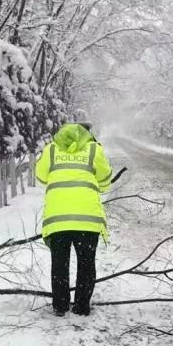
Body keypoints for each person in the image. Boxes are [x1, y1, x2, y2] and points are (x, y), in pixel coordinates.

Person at [34, 121, 112, 317]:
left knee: (59, 263)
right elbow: (105, 182)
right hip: (87, 219)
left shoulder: (51, 150)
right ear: (87, 135)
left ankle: (60, 306)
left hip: (58, 219)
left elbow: (41, 178)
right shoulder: (94, 150)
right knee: (86, 263)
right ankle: (81, 306)